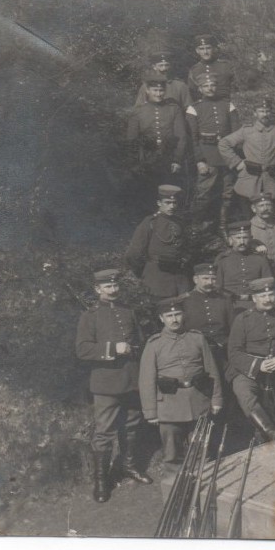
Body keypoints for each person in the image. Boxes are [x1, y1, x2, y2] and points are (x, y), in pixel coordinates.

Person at [75, 269, 151, 503]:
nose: (113, 290)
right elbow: (82, 350)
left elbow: (139, 341)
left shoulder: (128, 311)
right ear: (98, 290)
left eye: (116, 285)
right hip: (106, 382)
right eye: (108, 287)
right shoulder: (90, 316)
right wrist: (112, 349)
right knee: (104, 432)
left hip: (131, 379)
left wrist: (134, 349)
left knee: (131, 425)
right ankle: (101, 480)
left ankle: (128, 467)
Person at [139, 297, 223, 467]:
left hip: (198, 401)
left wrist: (216, 399)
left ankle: (204, 488)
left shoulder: (197, 338)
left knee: (203, 452)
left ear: (183, 315)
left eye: (177, 314)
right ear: (161, 319)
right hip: (169, 406)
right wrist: (151, 412)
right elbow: (147, 380)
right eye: (169, 316)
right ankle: (174, 490)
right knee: (172, 456)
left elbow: (211, 370)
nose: (174, 319)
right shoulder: (154, 344)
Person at [226, 277, 275, 442]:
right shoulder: (243, 319)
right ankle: (271, 432)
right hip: (246, 370)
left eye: (271, 295)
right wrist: (259, 365)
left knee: (274, 406)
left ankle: (268, 437)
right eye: (263, 296)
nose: (268, 299)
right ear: (254, 298)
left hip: (274, 368)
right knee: (244, 393)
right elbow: (234, 352)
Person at [219, 97, 275, 217]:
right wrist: (237, 162)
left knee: (272, 213)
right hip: (249, 178)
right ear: (255, 113)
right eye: (261, 111)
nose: (265, 114)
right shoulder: (246, 130)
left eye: (267, 111)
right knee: (248, 213)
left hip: (272, 180)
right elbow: (224, 143)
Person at [186, 74, 240, 232]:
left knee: (228, 191)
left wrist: (234, 156)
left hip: (228, 154)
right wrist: (199, 160)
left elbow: (237, 132)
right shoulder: (194, 108)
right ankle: (196, 225)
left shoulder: (228, 105)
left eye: (213, 85)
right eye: (206, 86)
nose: (210, 89)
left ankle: (224, 225)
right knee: (203, 192)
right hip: (207, 154)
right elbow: (193, 138)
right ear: (200, 89)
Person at [126, 71, 189, 201]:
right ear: (147, 91)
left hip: (168, 159)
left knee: (170, 193)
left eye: (161, 90)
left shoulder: (174, 109)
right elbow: (132, 140)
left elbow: (181, 136)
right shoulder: (138, 111)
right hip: (146, 159)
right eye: (155, 90)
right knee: (147, 194)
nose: (159, 94)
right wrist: (135, 164)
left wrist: (177, 160)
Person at [124, 185, 191, 299]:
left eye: (174, 202)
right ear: (159, 203)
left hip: (180, 279)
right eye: (168, 202)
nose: (172, 206)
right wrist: (144, 272)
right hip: (157, 278)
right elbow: (133, 254)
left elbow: (185, 249)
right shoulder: (150, 223)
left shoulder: (180, 222)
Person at [181, 263, 235, 370]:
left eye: (213, 279)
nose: (210, 282)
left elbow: (233, 326)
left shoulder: (224, 299)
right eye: (205, 278)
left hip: (223, 349)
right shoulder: (185, 301)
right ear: (195, 279)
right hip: (196, 351)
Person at [214, 220, 274, 311]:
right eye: (238, 238)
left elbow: (269, 285)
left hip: (255, 305)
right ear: (230, 240)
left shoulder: (260, 259)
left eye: (245, 238)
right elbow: (217, 287)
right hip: (230, 305)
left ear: (250, 239)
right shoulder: (223, 260)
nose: (242, 241)